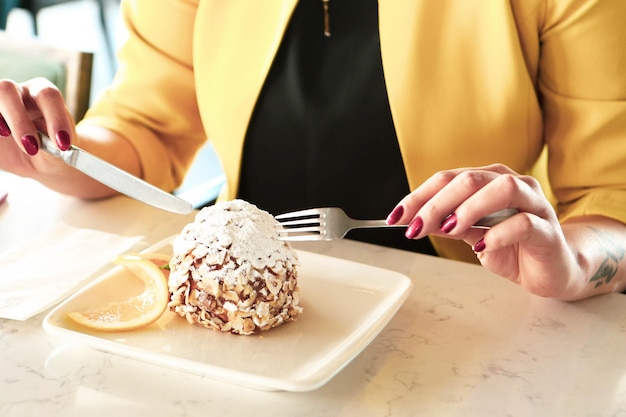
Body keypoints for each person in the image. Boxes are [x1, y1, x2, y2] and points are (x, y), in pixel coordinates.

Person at [0, 0, 625, 301]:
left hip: (467, 313)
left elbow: (614, 201)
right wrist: (51, 150)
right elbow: (145, 131)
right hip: (232, 300)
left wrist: (572, 263)